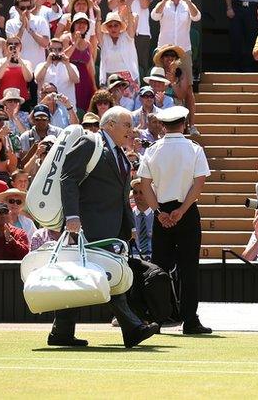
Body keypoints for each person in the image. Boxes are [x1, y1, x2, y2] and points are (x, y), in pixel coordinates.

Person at [51, 106, 159, 348]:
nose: (131, 131)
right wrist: (71, 216)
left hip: (111, 227)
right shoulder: (90, 143)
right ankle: (133, 328)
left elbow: (122, 194)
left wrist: (129, 225)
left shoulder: (119, 152)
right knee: (106, 276)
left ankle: (61, 331)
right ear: (110, 125)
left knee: (82, 278)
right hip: (87, 225)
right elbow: (68, 178)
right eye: (126, 125)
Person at [138, 106, 211, 335]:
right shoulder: (194, 149)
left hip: (163, 211)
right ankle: (189, 320)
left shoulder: (153, 150)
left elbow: (144, 184)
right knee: (189, 268)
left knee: (159, 267)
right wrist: (182, 209)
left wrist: (158, 212)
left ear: (162, 125)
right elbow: (199, 183)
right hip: (186, 211)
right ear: (184, 123)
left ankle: (157, 319)